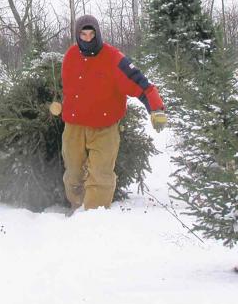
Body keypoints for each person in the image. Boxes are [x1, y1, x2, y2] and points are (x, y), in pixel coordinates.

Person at [49, 14, 167, 213]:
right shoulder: (70, 56)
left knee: (100, 175)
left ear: (98, 34)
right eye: (83, 34)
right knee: (73, 174)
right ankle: (76, 209)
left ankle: (94, 217)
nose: (87, 39)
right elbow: (71, 88)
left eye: (91, 34)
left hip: (104, 128)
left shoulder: (114, 59)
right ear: (77, 36)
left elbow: (142, 85)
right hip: (74, 127)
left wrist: (156, 109)